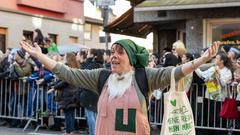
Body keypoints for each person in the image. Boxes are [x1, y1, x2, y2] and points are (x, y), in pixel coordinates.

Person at [21, 39, 220, 135]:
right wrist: (40, 56)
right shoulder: (101, 76)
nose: (114, 56)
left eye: (120, 52)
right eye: (113, 51)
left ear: (131, 59)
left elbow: (174, 72)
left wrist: (202, 60)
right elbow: (67, 73)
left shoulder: (145, 77)